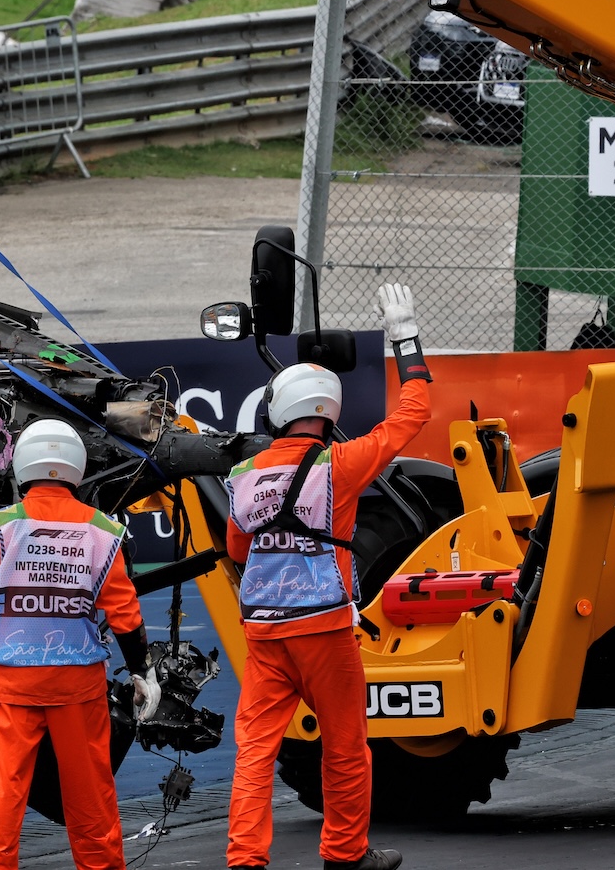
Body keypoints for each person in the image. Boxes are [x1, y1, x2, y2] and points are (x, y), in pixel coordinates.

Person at [223, 283, 432, 870]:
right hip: (325, 628)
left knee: (256, 750)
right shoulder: (342, 465)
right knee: (345, 746)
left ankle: (245, 861)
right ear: (328, 412)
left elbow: (240, 547)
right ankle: (344, 855)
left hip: (264, 630)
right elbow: (415, 412)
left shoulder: (243, 474)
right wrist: (405, 337)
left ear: (279, 410)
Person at [0, 418, 161, 870]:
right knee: (91, 798)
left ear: (22, 467)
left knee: (3, 795)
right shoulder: (103, 530)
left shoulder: (0, 527)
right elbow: (124, 612)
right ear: (77, 468)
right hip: (78, 686)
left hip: (13, 684)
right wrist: (142, 671)